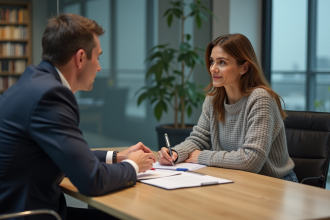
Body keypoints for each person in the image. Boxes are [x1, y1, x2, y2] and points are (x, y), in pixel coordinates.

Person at [0, 13, 156, 220]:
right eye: (98, 57)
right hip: (29, 214)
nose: (99, 67)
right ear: (81, 58)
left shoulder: (33, 81)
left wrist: (118, 157)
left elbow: (67, 154)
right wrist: (133, 165)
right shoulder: (51, 95)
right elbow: (92, 181)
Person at [158, 34, 298, 182]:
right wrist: (175, 153)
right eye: (212, 61)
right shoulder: (213, 100)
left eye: (222, 63)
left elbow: (252, 160)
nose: (213, 69)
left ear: (244, 67)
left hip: (274, 183)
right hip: (236, 178)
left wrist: (202, 156)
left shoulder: (260, 99)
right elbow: (199, 139)